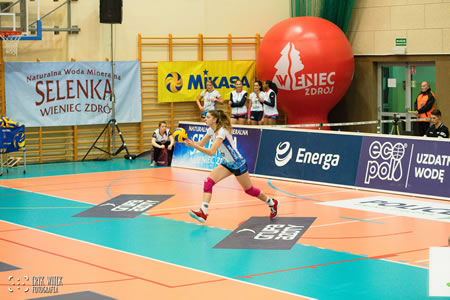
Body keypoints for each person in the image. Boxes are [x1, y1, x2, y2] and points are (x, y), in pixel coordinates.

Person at [184, 109, 279, 223]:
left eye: (208, 117)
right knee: (208, 182)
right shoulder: (211, 130)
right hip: (227, 163)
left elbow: (211, 152)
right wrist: (191, 143)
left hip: (237, 163)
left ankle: (272, 203)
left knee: (249, 190)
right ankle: (203, 212)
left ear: (215, 119)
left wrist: (195, 146)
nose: (205, 119)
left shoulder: (221, 132)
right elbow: (201, 144)